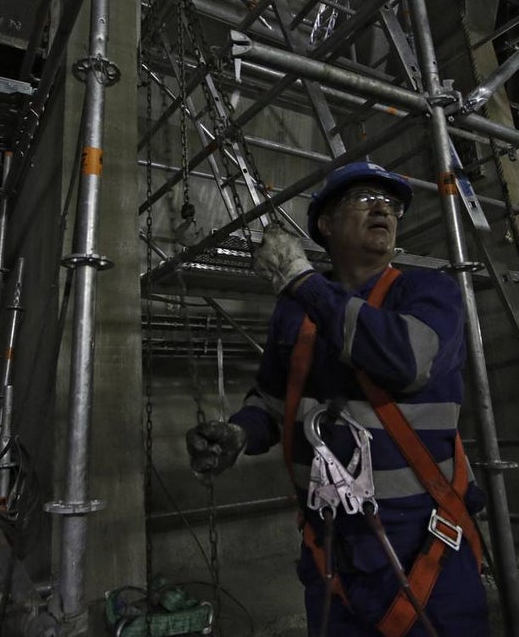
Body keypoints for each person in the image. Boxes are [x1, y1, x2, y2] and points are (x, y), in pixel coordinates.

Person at [185, 161, 489, 637]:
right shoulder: (296, 311)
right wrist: (240, 431)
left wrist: (302, 281)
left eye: (391, 205)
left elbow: (404, 361)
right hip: (330, 545)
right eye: (365, 199)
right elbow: (273, 399)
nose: (383, 209)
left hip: (422, 541)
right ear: (325, 224)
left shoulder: (428, 292)